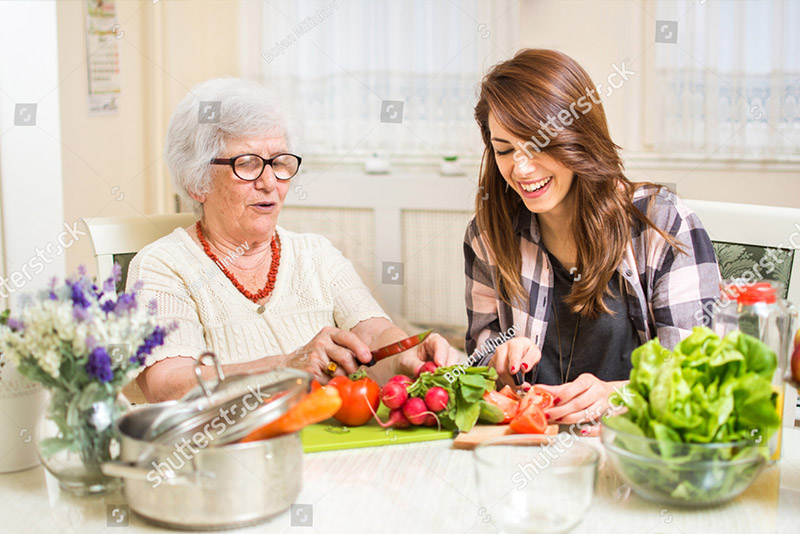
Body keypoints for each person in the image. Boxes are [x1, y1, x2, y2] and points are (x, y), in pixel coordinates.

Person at [128, 77, 458, 402]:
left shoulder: (317, 253)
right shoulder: (162, 266)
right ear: (197, 182)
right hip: (234, 438)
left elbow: (372, 333)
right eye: (247, 164)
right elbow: (168, 384)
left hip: (327, 432)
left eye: (279, 162)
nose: (270, 182)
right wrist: (286, 366)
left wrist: (405, 355)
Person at [464, 49, 720, 427]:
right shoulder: (488, 234)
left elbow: (696, 373)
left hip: (631, 444)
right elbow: (480, 359)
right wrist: (500, 358)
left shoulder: (662, 223)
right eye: (505, 150)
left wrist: (617, 396)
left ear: (577, 138)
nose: (521, 169)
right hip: (529, 443)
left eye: (538, 145)